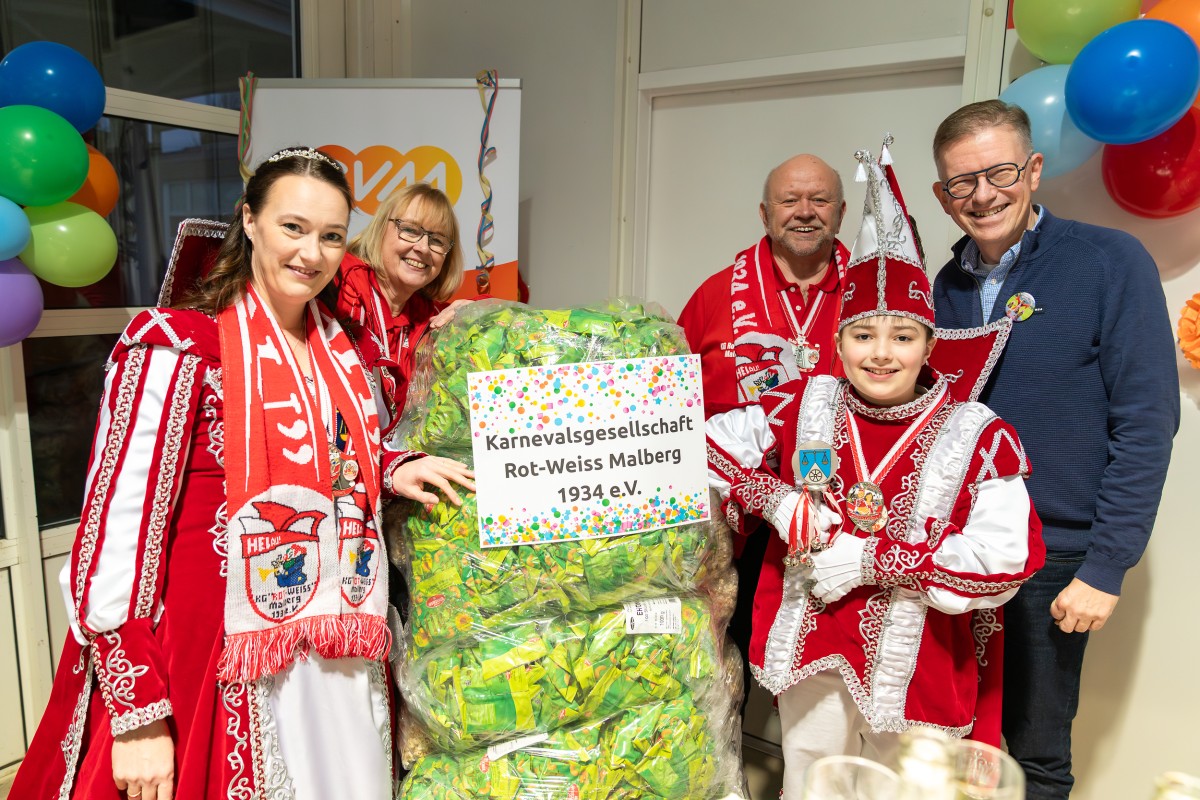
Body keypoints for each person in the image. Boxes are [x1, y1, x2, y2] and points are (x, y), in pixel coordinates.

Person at [11, 148, 471, 800]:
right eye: (293, 227)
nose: (311, 253)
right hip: (220, 662)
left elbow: (336, 455)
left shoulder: (339, 352)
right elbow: (113, 537)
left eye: (331, 236)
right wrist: (139, 714)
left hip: (337, 659)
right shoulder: (177, 346)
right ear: (249, 220)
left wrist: (394, 467)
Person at [706, 145, 1044, 797]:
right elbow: (706, 445)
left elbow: (1005, 559)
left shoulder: (978, 435)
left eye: (902, 336)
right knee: (811, 783)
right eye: (863, 336)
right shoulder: (804, 401)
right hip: (810, 653)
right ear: (839, 343)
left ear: (928, 342)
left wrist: (873, 561)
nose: (881, 354)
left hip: (917, 670)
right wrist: (770, 498)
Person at [929, 100, 1180, 799]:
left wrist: (1106, 567)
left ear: (1034, 170)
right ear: (941, 196)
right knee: (950, 740)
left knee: (1035, 753)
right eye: (960, 183)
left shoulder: (1110, 262)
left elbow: (1147, 421)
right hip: (955, 552)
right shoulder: (942, 289)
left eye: (999, 171)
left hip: (1056, 557)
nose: (982, 195)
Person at [677, 154, 850, 716]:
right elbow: (671, 403)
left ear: (841, 211)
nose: (804, 212)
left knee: (832, 673)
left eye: (819, 200)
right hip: (736, 527)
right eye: (789, 200)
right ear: (765, 212)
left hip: (842, 523)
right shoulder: (714, 295)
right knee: (722, 664)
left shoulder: (878, 292)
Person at [333, 182, 466, 437]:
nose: (423, 248)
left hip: (396, 464)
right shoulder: (340, 283)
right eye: (410, 230)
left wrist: (476, 311)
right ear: (382, 228)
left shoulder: (428, 316)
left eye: (437, 240)